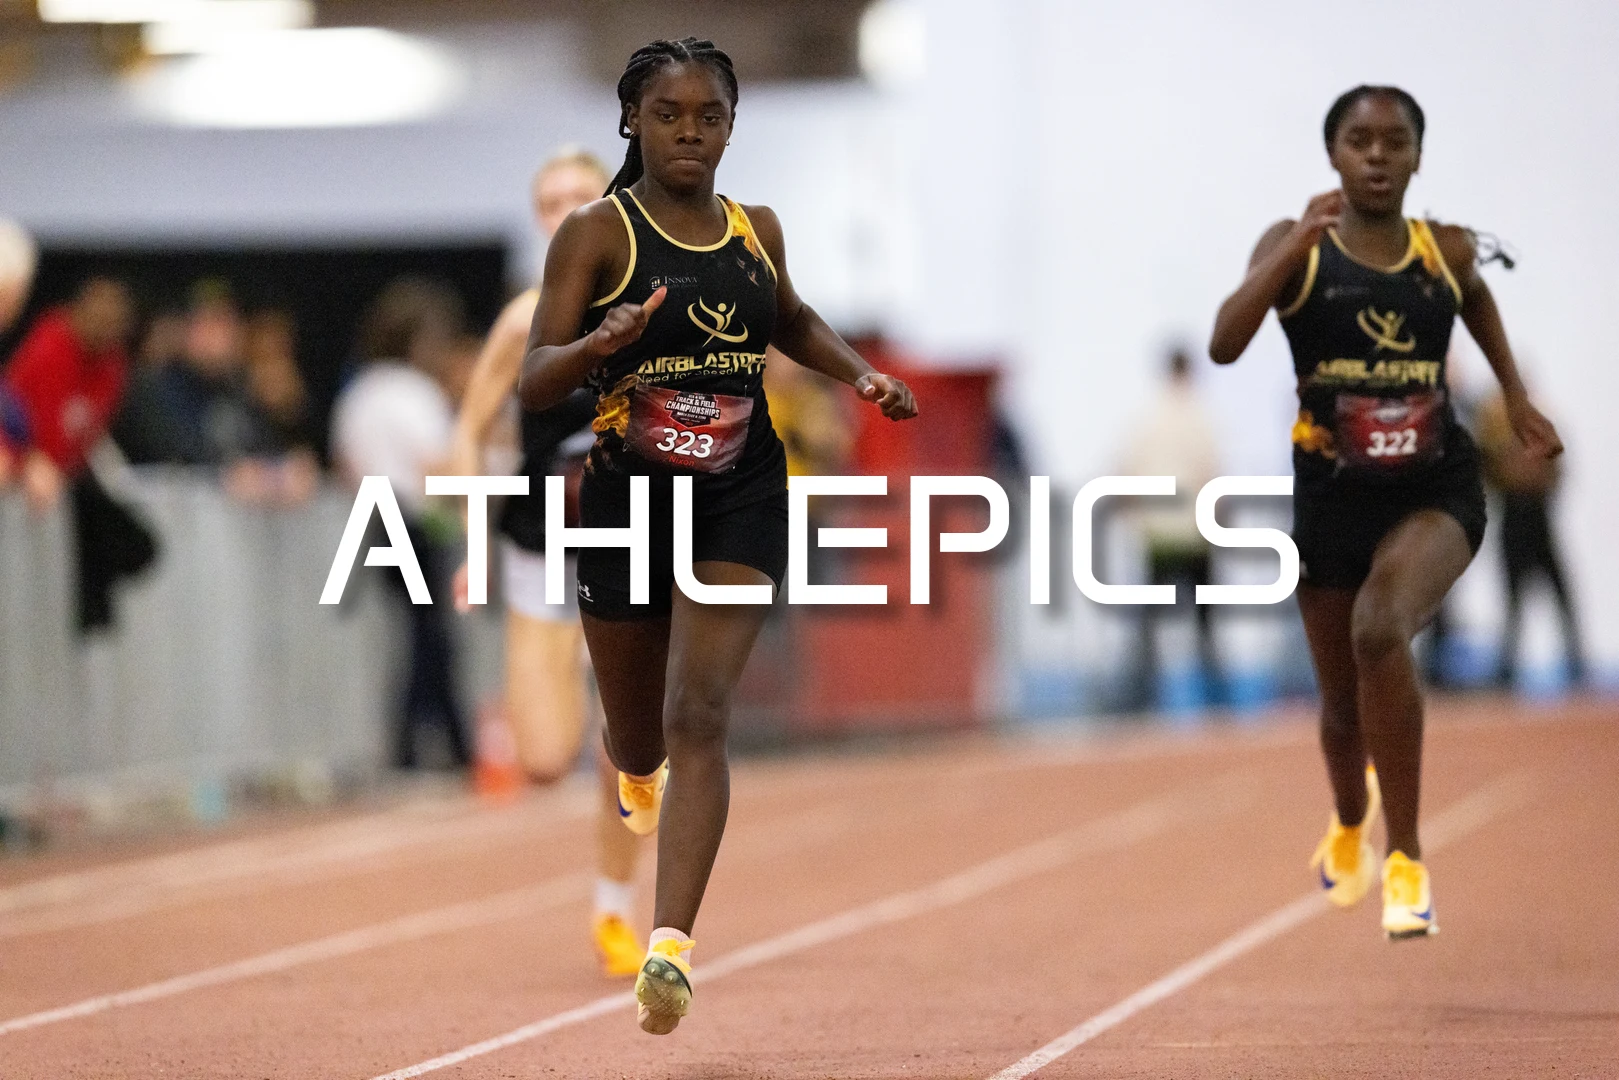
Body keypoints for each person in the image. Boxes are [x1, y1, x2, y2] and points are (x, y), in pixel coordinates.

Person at [517, 37, 917, 1034]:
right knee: (637, 737)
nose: (689, 134)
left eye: (709, 117)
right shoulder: (597, 234)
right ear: (632, 121)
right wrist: (598, 342)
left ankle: (669, 950)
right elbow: (534, 379)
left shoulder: (755, 228)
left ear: (732, 127)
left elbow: (790, 317)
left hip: (739, 490)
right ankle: (634, 768)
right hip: (624, 497)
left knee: (698, 711)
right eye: (668, 116)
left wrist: (858, 374)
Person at [1210, 86, 1562, 939]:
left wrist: (1514, 398)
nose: (1375, 155)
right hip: (1330, 497)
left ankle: (1405, 859)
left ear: (1416, 156)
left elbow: (1474, 298)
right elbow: (1223, 342)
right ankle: (1347, 819)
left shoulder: (1442, 248)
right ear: (1331, 153)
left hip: (1432, 488)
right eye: (1358, 141)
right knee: (1340, 709)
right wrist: (1292, 248)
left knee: (1379, 628)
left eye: (1393, 141)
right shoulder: (1292, 243)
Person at [446, 148, 653, 980]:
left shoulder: (658, 309)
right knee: (539, 759)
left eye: (579, 194)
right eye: (549, 199)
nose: (564, 208)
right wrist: (472, 541)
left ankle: (613, 907)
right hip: (540, 550)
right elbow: (469, 431)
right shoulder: (521, 321)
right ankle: (571, 673)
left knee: (627, 752)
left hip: (635, 545)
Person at [332, 277, 471, 770]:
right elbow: (438, 465)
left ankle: (427, 741)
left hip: (376, 518)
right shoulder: (413, 392)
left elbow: (345, 463)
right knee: (429, 636)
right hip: (415, 521)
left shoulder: (359, 392)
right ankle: (432, 743)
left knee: (418, 633)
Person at [1, 275, 157, 632]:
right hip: (39, 470)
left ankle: (88, 610)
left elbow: (87, 426)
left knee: (133, 545)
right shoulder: (50, 346)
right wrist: (31, 461)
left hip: (65, 473)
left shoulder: (111, 365)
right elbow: (28, 416)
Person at [1120, 346, 1225, 710]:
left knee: (1150, 624)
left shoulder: (1148, 419)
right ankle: (1215, 702)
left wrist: (1135, 518)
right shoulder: (1200, 419)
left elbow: (1128, 474)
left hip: (1158, 534)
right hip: (1195, 533)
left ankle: (1141, 700)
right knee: (1205, 623)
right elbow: (1212, 476)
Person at [1476, 384, 1585, 688]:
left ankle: (1575, 664)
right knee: (1514, 599)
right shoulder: (1494, 432)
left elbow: (1556, 468)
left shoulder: (1539, 428)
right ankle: (1507, 668)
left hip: (1538, 516)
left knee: (1560, 594)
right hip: (1515, 516)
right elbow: (1490, 473)